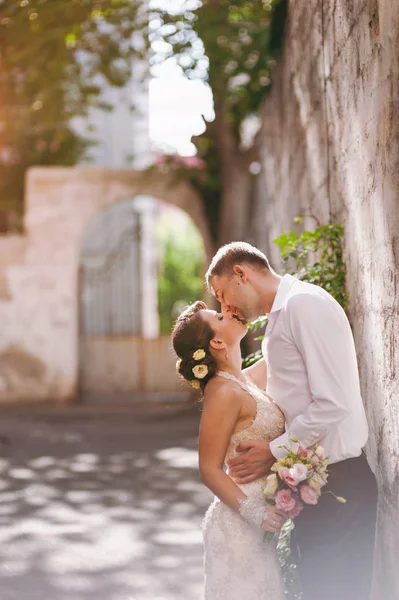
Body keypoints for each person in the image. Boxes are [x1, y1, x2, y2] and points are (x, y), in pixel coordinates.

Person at [205, 241, 378, 600]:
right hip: (318, 490)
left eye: (223, 295)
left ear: (241, 273)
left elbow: (333, 403)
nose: (225, 307)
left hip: (341, 485)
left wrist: (273, 449)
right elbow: (256, 387)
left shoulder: (303, 305)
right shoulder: (280, 319)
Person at [172, 300, 287, 600]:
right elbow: (208, 469)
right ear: (217, 341)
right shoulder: (222, 392)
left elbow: (280, 356)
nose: (229, 311)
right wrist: (257, 513)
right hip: (240, 528)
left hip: (262, 529)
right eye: (220, 315)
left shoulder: (242, 380)